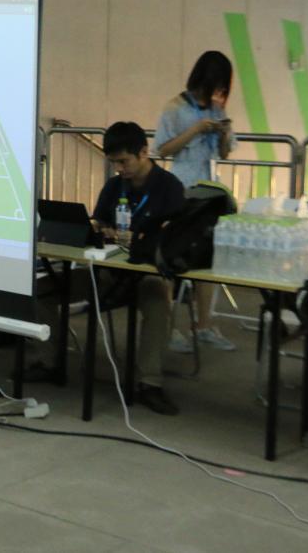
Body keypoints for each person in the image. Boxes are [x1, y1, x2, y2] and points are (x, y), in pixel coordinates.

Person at [90, 122, 186, 415]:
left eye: (124, 161)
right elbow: (98, 221)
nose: (119, 169)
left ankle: (150, 383)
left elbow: (176, 236)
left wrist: (143, 239)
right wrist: (101, 229)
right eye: (114, 163)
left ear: (144, 152)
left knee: (158, 304)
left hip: (147, 271)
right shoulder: (114, 186)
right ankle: (49, 362)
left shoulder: (169, 187)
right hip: (110, 268)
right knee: (47, 290)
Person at [155, 50, 238, 353]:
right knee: (170, 257)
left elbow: (225, 153)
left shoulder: (217, 110)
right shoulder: (175, 107)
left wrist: (224, 131)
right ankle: (167, 328)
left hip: (209, 191)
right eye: (213, 86)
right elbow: (163, 149)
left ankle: (203, 325)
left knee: (208, 260)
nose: (216, 93)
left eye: (221, 88)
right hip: (181, 189)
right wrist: (195, 130)